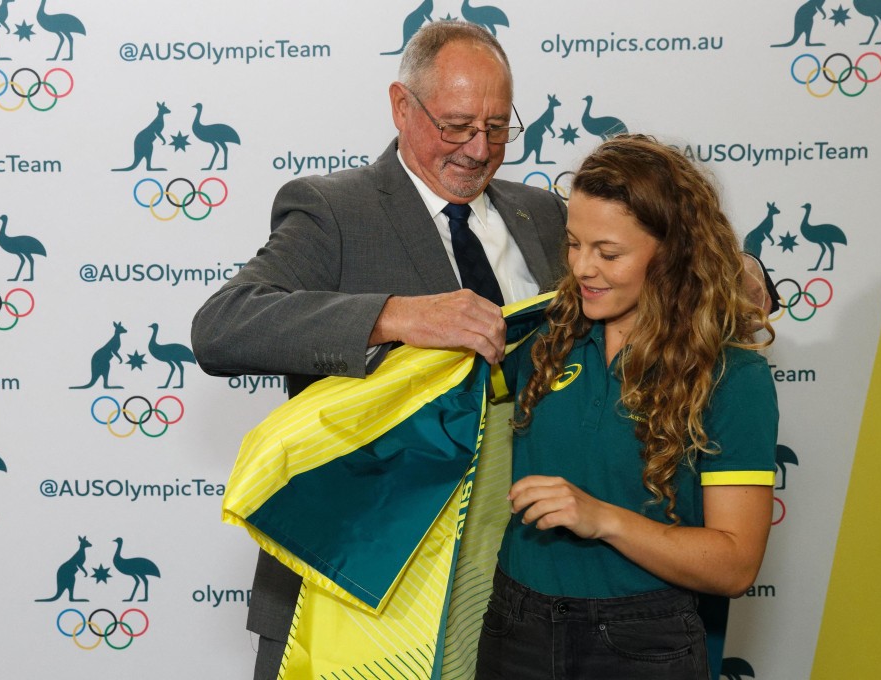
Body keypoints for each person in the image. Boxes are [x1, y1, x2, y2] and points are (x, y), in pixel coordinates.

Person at [191, 21, 569, 679]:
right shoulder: (333, 210)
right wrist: (396, 317)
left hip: (511, 601)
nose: (478, 149)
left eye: (498, 127)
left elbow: (645, 259)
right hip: (357, 595)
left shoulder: (546, 214)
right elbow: (223, 326)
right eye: (455, 125)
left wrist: (736, 271)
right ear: (401, 107)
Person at [475, 135, 779, 680]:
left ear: (671, 251)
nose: (583, 268)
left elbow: (735, 563)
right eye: (573, 244)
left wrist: (603, 520)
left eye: (608, 252)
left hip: (645, 638)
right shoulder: (543, 338)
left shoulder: (733, 374)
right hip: (514, 624)